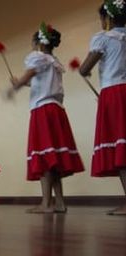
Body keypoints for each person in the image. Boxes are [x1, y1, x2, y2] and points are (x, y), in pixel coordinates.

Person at [11, 23, 84, 213]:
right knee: (54, 157)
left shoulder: (37, 57)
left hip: (42, 111)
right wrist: (23, 83)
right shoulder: (54, 61)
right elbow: (43, 84)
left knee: (44, 156)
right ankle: (59, 202)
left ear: (39, 43)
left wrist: (17, 84)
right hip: (57, 110)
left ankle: (46, 203)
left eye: (32, 42)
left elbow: (29, 74)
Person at [79, 1, 126, 215]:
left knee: (121, 146)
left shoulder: (104, 38)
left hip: (115, 93)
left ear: (107, 19)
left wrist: (84, 71)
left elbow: (85, 67)